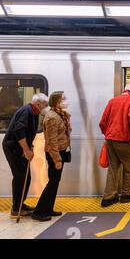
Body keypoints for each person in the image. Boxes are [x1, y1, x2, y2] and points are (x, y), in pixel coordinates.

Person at [2, 93, 49, 218]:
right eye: (45, 105)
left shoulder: (33, 112)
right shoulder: (26, 111)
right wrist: (27, 150)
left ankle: (20, 203)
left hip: (19, 148)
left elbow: (27, 132)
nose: (46, 107)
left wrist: (29, 147)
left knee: (25, 177)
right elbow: (19, 130)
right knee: (20, 176)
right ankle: (16, 209)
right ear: (38, 104)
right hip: (13, 148)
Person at [99, 84, 130, 207]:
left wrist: (107, 133)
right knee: (129, 166)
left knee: (113, 168)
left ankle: (109, 197)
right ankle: (127, 194)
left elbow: (103, 121)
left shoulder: (112, 100)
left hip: (110, 139)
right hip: (124, 139)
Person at [32, 91, 71, 222]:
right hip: (55, 154)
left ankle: (48, 208)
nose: (65, 101)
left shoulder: (59, 115)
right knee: (52, 182)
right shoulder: (52, 117)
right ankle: (39, 211)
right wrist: (57, 159)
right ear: (56, 102)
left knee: (55, 182)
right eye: (63, 99)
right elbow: (51, 140)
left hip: (60, 152)